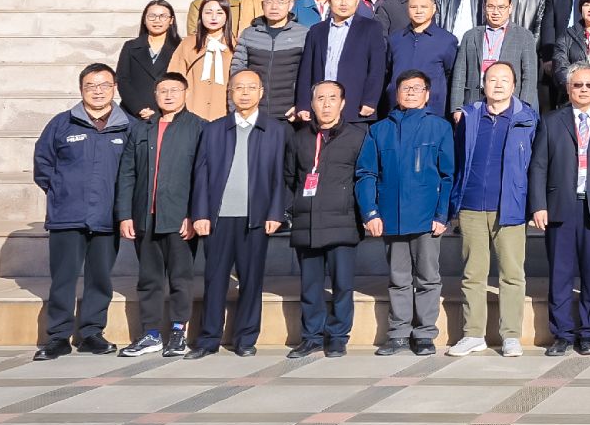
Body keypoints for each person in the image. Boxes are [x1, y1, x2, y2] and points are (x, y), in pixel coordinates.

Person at [33, 63, 132, 359]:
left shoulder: (127, 126)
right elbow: (43, 163)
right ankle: (58, 337)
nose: (98, 91)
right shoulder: (61, 123)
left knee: (100, 278)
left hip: (107, 217)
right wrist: (61, 191)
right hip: (67, 216)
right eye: (91, 86)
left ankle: (91, 333)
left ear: (114, 88)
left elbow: (133, 171)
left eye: (104, 85)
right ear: (81, 90)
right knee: (63, 278)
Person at [187, 69, 287, 358]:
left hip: (256, 218)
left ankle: (245, 338)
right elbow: (201, 174)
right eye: (238, 88)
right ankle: (208, 339)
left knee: (251, 280)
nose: (244, 93)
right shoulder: (214, 129)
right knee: (214, 279)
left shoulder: (276, 130)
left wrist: (276, 212)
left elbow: (283, 175)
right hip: (218, 218)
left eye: (251, 87)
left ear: (261, 92)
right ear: (229, 93)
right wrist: (200, 213)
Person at [357, 71, 455, 356]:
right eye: (405, 88)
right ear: (396, 93)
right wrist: (370, 212)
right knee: (398, 278)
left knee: (427, 277)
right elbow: (366, 173)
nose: (411, 92)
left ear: (427, 94)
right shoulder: (379, 130)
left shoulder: (439, 127)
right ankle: (399, 333)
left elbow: (448, 175)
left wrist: (442, 215)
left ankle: (424, 334)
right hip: (391, 217)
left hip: (427, 219)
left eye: (417, 88)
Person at [449, 60, 538, 357]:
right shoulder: (469, 116)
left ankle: (510, 335)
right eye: (492, 79)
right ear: (483, 84)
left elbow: (536, 165)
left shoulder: (528, 119)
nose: (498, 85)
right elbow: (457, 161)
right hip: (472, 205)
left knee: (512, 273)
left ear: (514, 85)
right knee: (473, 273)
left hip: (510, 207)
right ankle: (473, 333)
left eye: (504, 80)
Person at [114, 73, 205, 358]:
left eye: (174, 90)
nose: (168, 95)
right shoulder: (140, 128)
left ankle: (178, 331)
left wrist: (193, 214)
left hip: (179, 219)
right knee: (149, 279)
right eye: (162, 90)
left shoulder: (199, 128)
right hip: (145, 217)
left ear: (185, 93)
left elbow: (202, 176)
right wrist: (125, 215)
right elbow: (127, 173)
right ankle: (150, 333)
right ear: (155, 95)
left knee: (181, 278)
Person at [530, 64, 590, 355]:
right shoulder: (551, 121)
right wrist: (539, 205)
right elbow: (538, 166)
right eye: (578, 85)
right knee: (560, 274)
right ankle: (562, 333)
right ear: (568, 88)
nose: (583, 90)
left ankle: (588, 332)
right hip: (560, 208)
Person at [282, 81, 368, 359]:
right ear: (312, 103)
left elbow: (365, 178)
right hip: (307, 222)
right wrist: (294, 207)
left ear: (343, 103)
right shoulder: (299, 138)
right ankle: (311, 336)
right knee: (310, 286)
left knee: (342, 285)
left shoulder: (358, 136)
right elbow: (290, 177)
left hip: (343, 222)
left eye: (332, 98)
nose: (326, 104)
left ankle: (338, 336)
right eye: (320, 98)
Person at [296, 0, 389, 121]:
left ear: (357, 1)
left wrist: (370, 100)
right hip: (321, 108)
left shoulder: (371, 28)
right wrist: (303, 104)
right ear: (329, 0)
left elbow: (377, 67)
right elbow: (306, 70)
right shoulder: (317, 30)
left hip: (356, 106)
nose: (343, 3)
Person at [452, 0, 536, 116]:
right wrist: (457, 108)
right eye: (490, 7)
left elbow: (529, 77)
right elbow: (460, 73)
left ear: (510, 8)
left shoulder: (524, 36)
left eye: (501, 7)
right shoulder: (470, 35)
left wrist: (523, 108)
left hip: (510, 104)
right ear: (484, 8)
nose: (496, 12)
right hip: (474, 102)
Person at [167, 0, 235, 122]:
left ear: (227, 16)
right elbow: (174, 78)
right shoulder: (188, 43)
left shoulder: (236, 45)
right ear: (200, 15)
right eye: (208, 12)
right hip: (192, 112)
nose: (213, 17)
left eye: (219, 13)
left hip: (225, 113)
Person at [117, 2, 181, 122]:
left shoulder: (180, 48)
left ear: (171, 20)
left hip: (168, 114)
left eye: (163, 16)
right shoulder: (131, 46)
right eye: (152, 16)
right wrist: (139, 108)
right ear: (144, 20)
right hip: (133, 114)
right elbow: (123, 80)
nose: (157, 20)